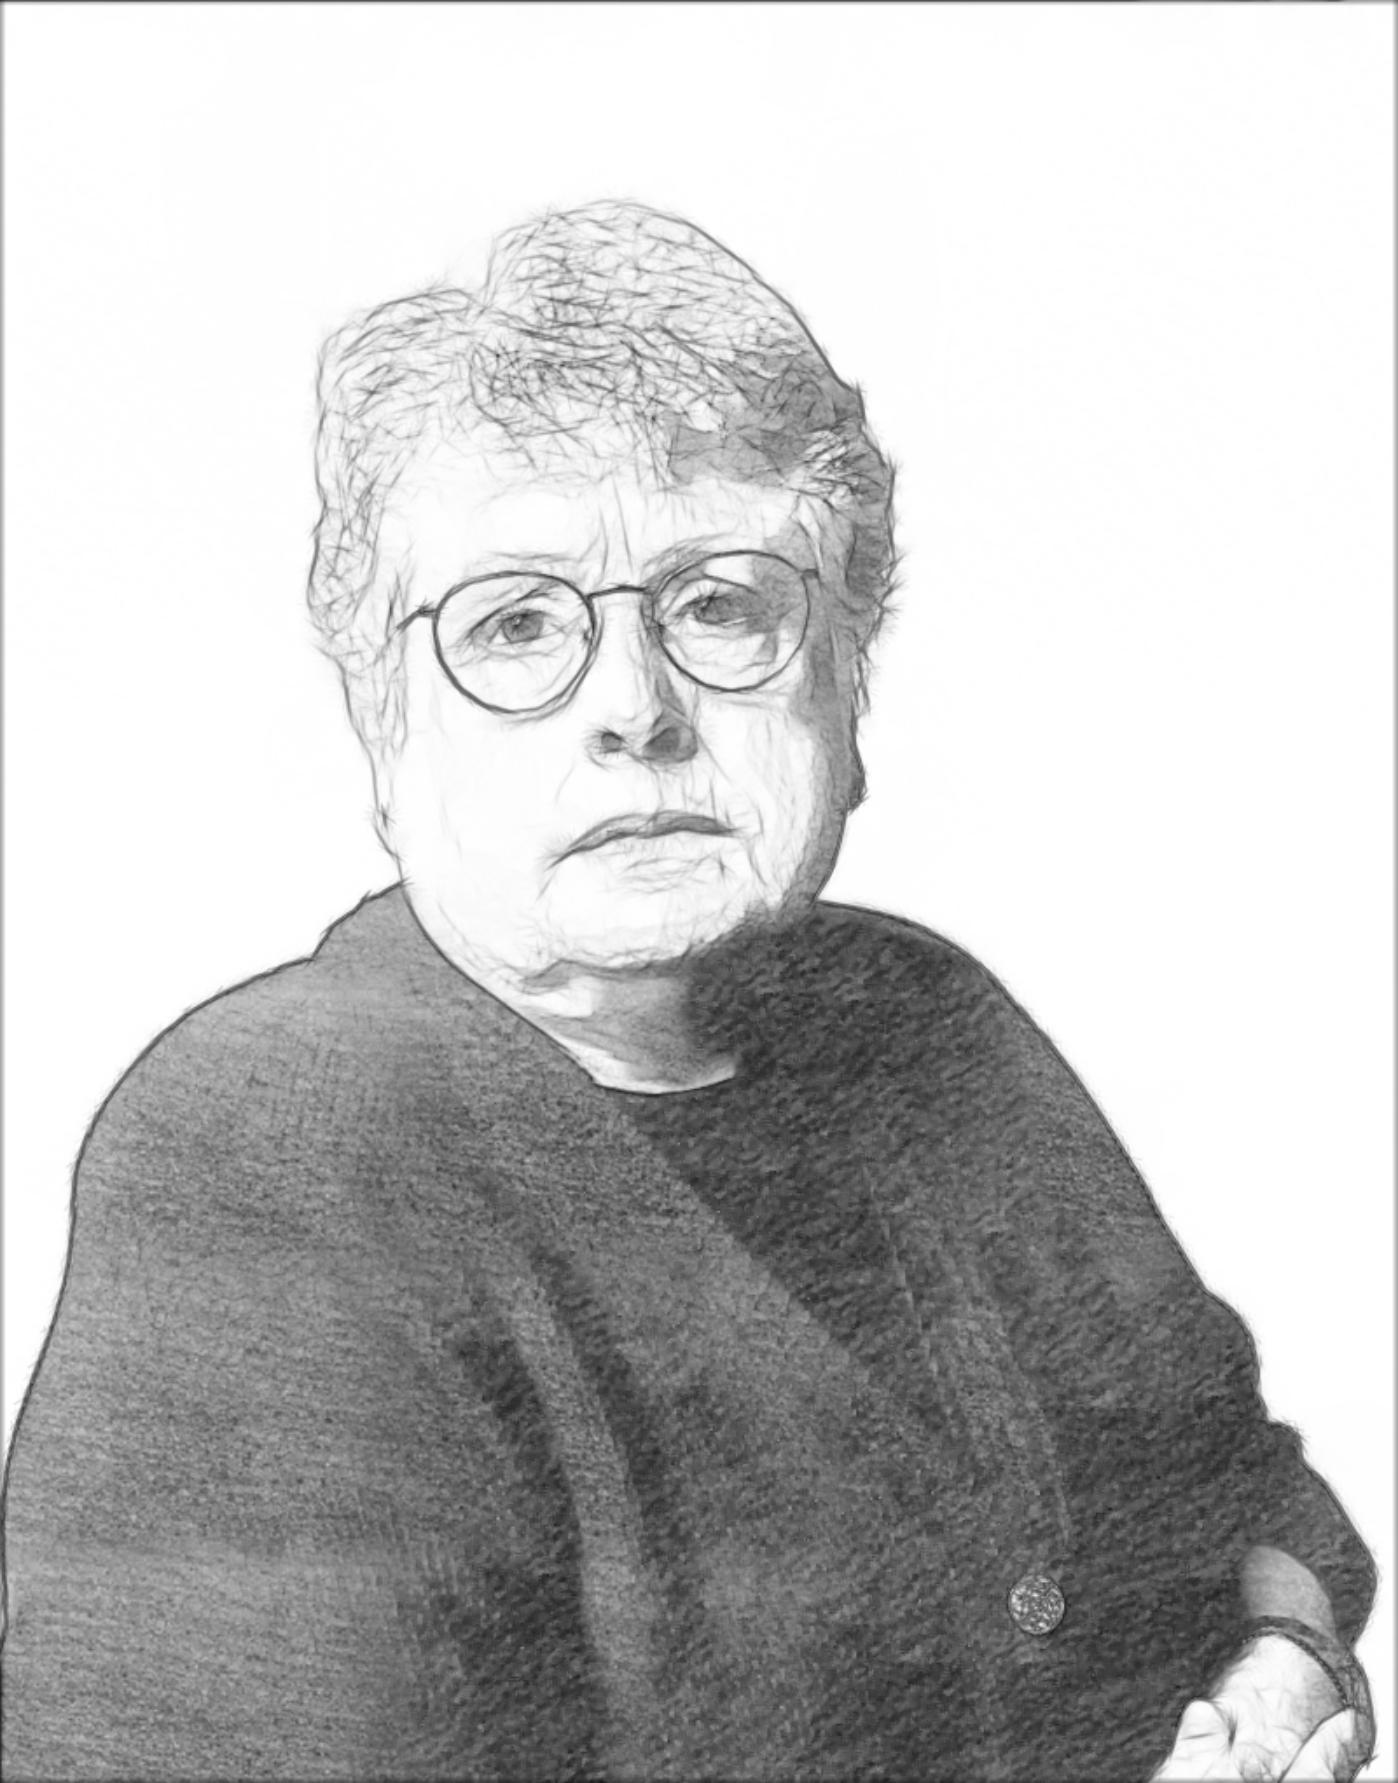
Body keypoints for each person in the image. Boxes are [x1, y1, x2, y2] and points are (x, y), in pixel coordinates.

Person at [0, 202, 1376, 1782]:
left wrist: (1282, 1666)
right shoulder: (277, 1146)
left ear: (847, 677)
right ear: (382, 723)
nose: (635, 709)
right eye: (515, 623)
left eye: (720, 604)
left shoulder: (925, 1022)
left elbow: (1236, 1494)